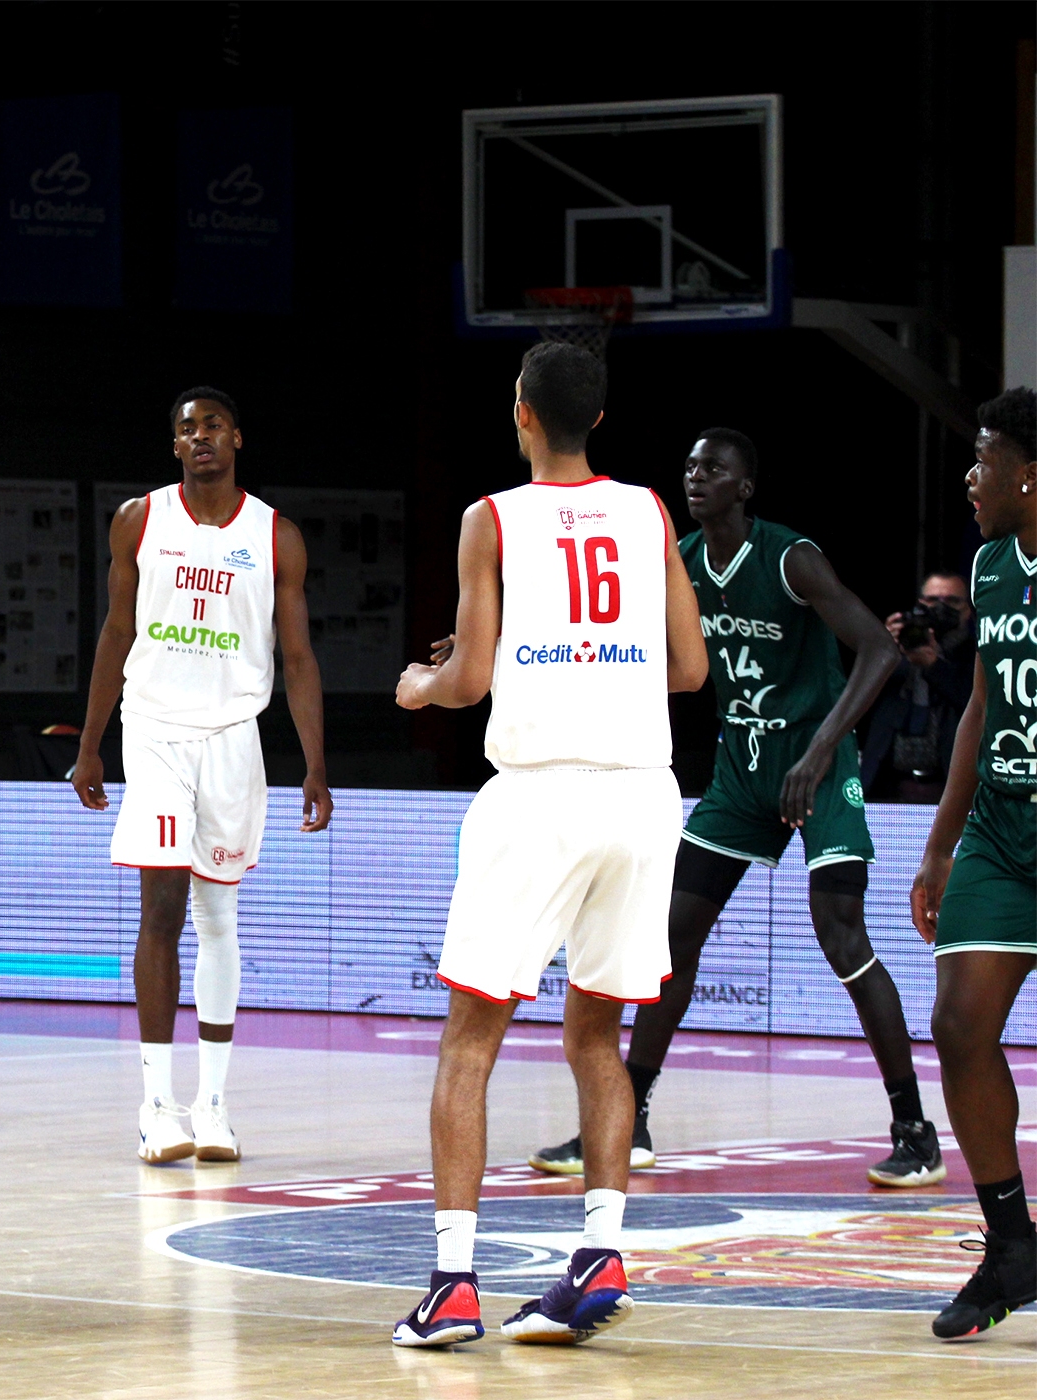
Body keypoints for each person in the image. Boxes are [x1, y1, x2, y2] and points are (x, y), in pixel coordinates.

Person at [389, 342, 705, 1348]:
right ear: (597, 420)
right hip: (643, 794)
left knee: (469, 1042)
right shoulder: (650, 511)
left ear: (521, 413)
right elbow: (689, 666)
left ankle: (451, 1286)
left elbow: (470, 676)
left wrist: (418, 685)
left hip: (539, 797)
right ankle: (599, 1254)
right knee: (594, 1039)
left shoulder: (493, 517)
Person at [527, 428, 941, 1188]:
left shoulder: (790, 558)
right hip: (740, 773)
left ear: (744, 488)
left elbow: (877, 653)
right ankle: (632, 1118)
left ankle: (914, 1129)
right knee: (667, 941)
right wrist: (502, 643)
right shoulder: (681, 561)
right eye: (688, 465)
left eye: (713, 468)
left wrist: (818, 754)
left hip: (817, 764)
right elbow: (611, 636)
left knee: (842, 936)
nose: (695, 477)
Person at [71, 386, 332, 1165]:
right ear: (175, 447)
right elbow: (117, 631)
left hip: (233, 738)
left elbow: (297, 658)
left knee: (220, 918)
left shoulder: (275, 536)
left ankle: (212, 1106)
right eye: (187, 428)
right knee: (162, 906)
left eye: (213, 424)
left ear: (237, 438)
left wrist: (316, 763)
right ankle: (157, 1105)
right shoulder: (138, 520)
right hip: (152, 734)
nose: (201, 436)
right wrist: (89, 743)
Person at [911, 386, 1037, 1341]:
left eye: (986, 459)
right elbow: (982, 709)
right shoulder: (992, 565)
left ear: (1028, 476)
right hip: (998, 829)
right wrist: (943, 840)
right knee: (959, 1025)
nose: (972, 475)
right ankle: (1011, 1246)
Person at [861, 570, 976, 802]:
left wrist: (934, 666)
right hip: (887, 788)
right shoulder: (895, 650)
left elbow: (978, 705)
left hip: (951, 790)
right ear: (920, 603)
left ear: (969, 610)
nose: (940, 608)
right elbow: (857, 702)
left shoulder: (979, 654)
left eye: (952, 601)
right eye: (932, 600)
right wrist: (881, 650)